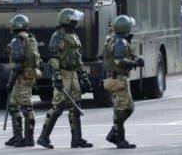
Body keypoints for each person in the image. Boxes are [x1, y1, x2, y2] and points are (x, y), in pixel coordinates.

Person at [37, 8, 93, 149]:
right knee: (58, 106)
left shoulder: (73, 35)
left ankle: (77, 139)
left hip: (73, 73)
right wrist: (57, 77)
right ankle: (43, 137)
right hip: (63, 73)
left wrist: (84, 76)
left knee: (76, 106)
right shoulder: (58, 36)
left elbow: (77, 58)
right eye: (73, 19)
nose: (75, 21)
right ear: (66, 20)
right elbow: (54, 58)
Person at [103, 15, 144, 149]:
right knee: (124, 109)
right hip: (119, 78)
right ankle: (119, 139)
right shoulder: (121, 42)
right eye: (130, 26)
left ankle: (114, 135)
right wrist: (135, 63)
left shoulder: (113, 39)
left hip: (115, 78)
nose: (132, 29)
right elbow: (119, 61)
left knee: (125, 108)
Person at [5, 14, 41, 147]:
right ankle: (18, 136)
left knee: (27, 107)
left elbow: (18, 63)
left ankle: (29, 138)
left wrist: (10, 82)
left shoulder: (16, 40)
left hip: (21, 77)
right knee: (13, 105)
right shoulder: (31, 39)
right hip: (30, 75)